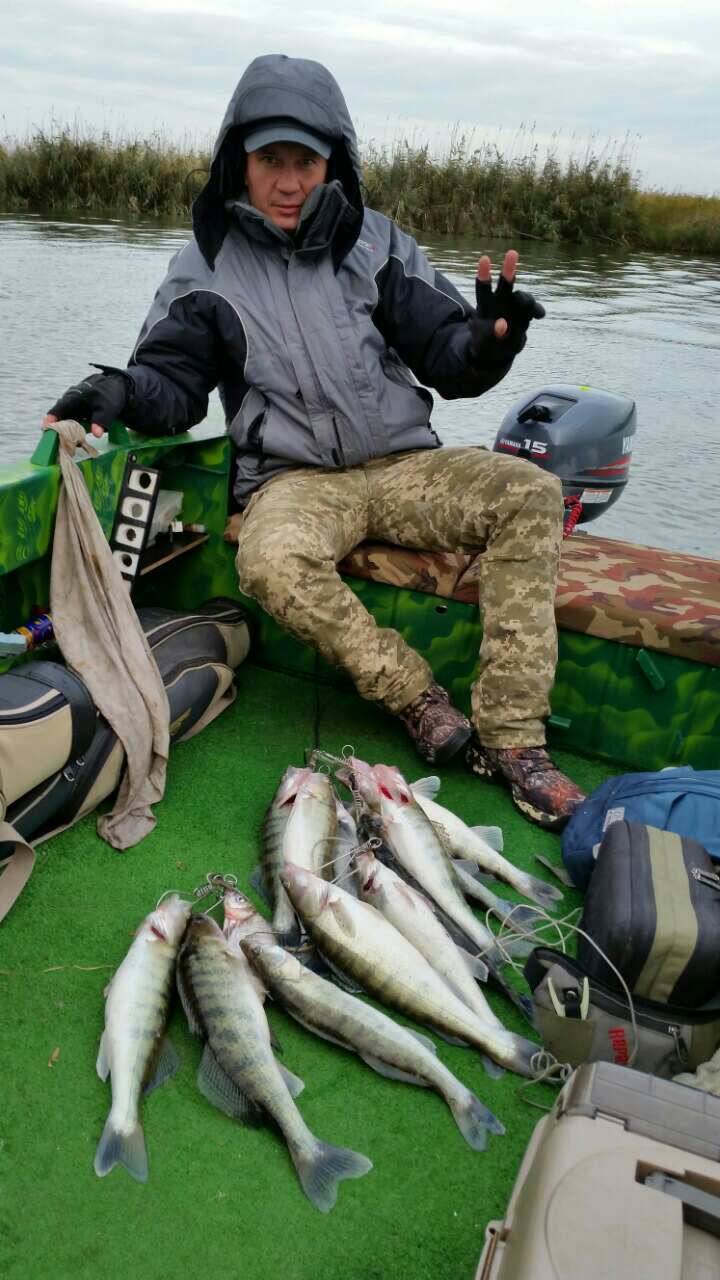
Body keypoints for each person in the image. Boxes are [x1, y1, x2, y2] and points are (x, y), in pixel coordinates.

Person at [44, 53, 585, 830]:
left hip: (403, 466)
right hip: (293, 480)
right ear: (239, 161)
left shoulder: (378, 245)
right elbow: (174, 386)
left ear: (334, 162)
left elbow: (447, 360)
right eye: (271, 160)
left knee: (530, 490)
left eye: (305, 161)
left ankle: (512, 741)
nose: (290, 181)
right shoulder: (205, 269)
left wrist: (488, 343)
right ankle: (414, 696)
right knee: (267, 560)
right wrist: (122, 391)